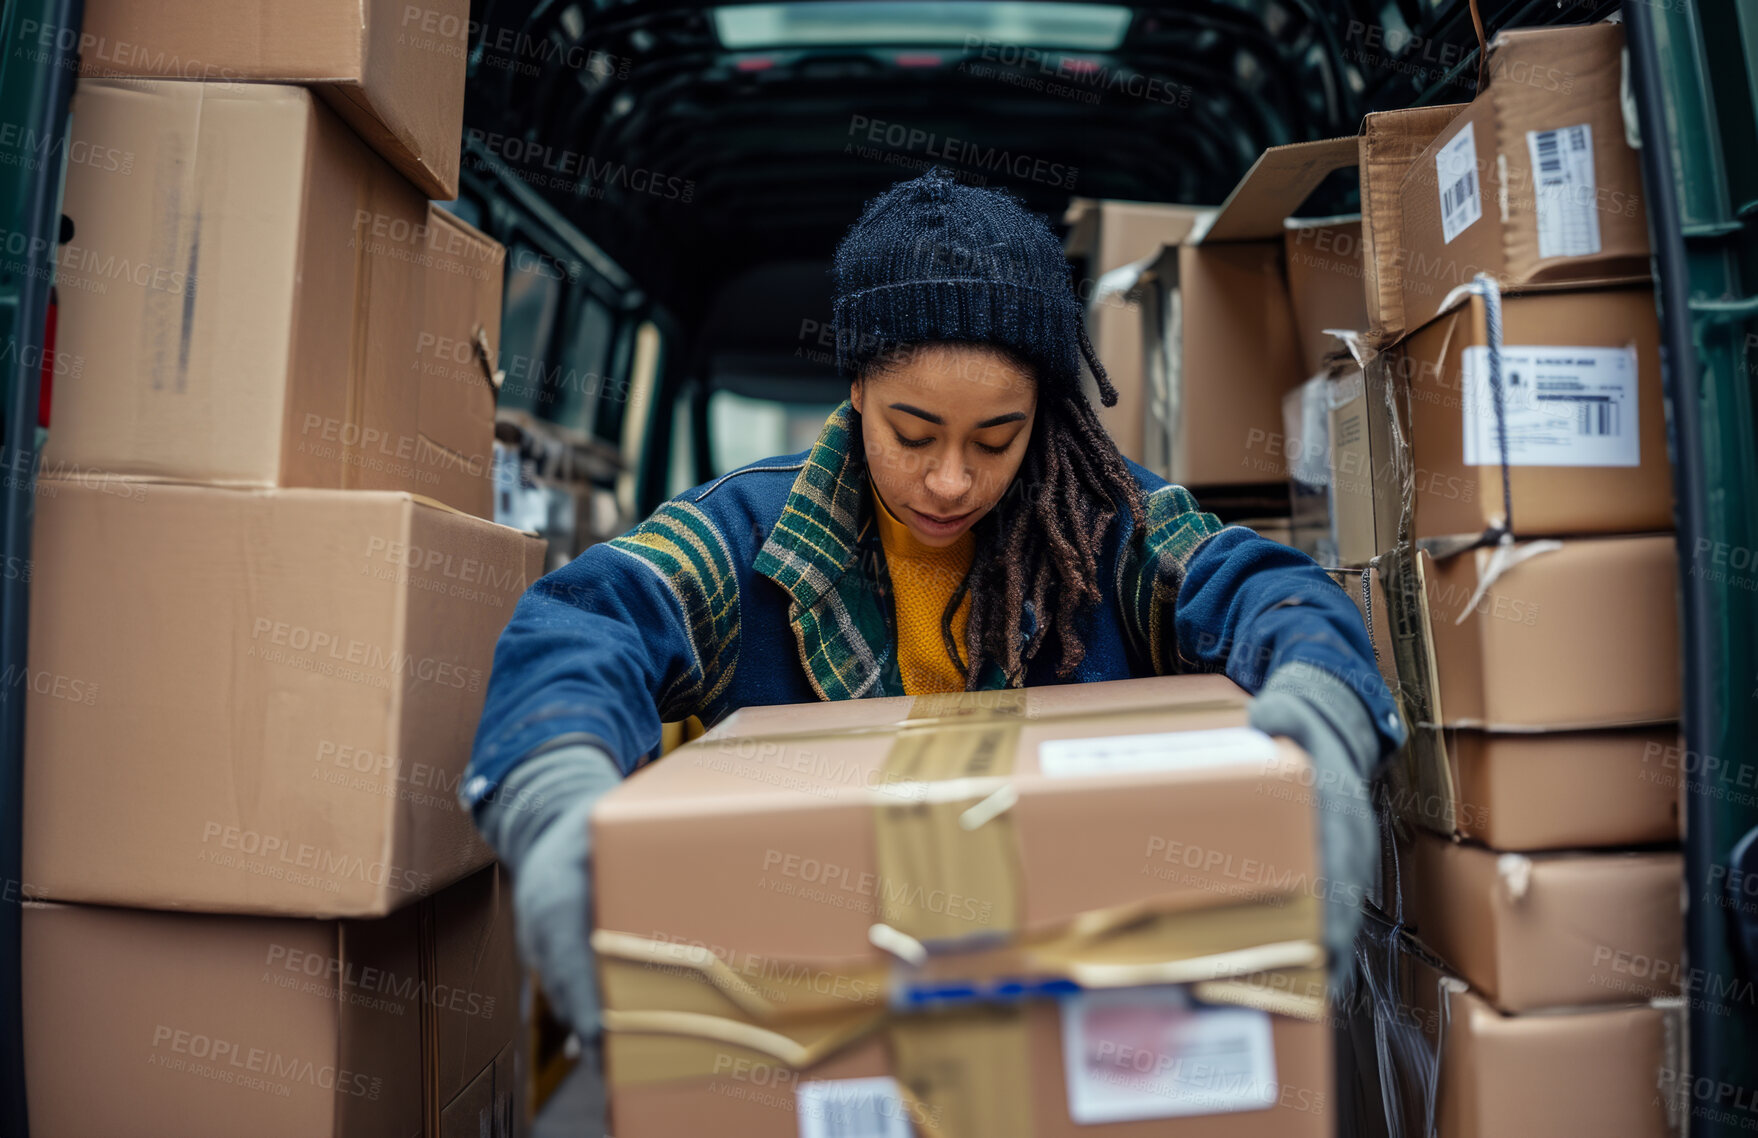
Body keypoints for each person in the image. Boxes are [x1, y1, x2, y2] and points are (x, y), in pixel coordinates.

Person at [462, 168, 1404, 1036]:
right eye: (913, 433)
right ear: (859, 387)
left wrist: (1324, 705)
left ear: (1044, 414)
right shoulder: (742, 536)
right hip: (810, 1018)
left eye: (997, 440)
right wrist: (556, 798)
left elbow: (1262, 585)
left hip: (1073, 1008)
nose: (951, 480)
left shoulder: (1102, 522)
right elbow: (587, 622)